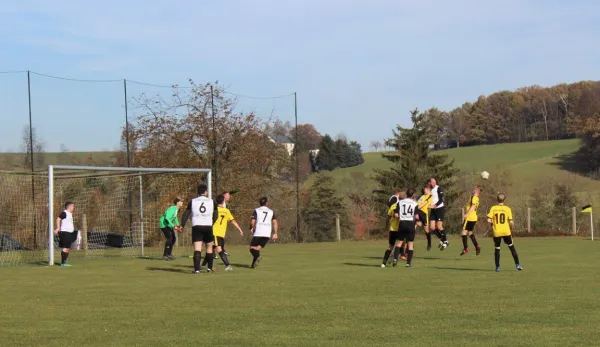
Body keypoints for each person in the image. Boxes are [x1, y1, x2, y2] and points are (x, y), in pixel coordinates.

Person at [181, 184, 219, 274]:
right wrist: (212, 222)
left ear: (198, 192)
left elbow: (185, 214)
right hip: (208, 226)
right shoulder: (212, 201)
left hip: (197, 226)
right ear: (206, 192)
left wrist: (182, 225)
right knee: (209, 247)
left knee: (197, 248)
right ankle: (209, 268)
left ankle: (197, 269)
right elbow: (216, 214)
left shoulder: (193, 201)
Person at [201, 194, 244, 271]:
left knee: (214, 249)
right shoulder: (226, 211)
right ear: (223, 201)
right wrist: (240, 229)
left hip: (214, 232)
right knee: (214, 249)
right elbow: (233, 221)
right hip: (220, 233)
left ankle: (226, 265)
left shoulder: (213, 210)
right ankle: (205, 265)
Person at [487, 193, 522, 272]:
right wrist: (511, 228)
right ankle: (518, 265)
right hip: (506, 231)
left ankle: (498, 267)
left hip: (497, 232)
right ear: (504, 200)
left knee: (497, 249)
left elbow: (489, 219)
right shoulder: (507, 209)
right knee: (511, 247)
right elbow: (511, 222)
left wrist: (492, 225)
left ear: (497, 199)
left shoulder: (493, 208)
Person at [249, 197, 278, 269]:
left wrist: (251, 228)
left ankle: (258, 257)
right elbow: (275, 222)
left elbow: (252, 221)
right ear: (267, 203)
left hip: (258, 232)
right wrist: (275, 233)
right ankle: (253, 265)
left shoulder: (257, 210)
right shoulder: (271, 211)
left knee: (252, 248)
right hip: (267, 234)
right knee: (257, 249)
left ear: (260, 203)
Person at [392, 188, 419, 267]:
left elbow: (396, 215)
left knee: (399, 242)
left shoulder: (400, 202)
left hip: (402, 223)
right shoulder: (415, 203)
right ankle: (408, 263)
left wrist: (402, 217)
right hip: (410, 224)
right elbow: (416, 216)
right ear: (413, 195)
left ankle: (395, 259)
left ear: (406, 194)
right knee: (410, 244)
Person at [53, 202, 76, 267]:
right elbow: (58, 219)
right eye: (73, 206)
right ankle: (63, 263)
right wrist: (58, 228)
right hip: (65, 232)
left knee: (68, 248)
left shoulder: (69, 214)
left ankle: (64, 262)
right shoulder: (64, 213)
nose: (74, 208)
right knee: (65, 247)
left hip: (69, 233)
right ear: (69, 207)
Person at [461, 186, 481, 256]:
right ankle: (477, 246)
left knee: (463, 232)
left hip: (470, 217)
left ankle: (466, 248)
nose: (473, 190)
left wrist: (466, 214)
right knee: (469, 232)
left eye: (474, 189)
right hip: (474, 218)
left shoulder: (474, 197)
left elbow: (473, 207)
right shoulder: (476, 198)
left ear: (476, 191)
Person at [428, 177, 448, 250]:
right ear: (429, 183)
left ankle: (445, 241)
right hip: (433, 210)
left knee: (439, 226)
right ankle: (442, 239)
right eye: (432, 182)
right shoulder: (429, 190)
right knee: (432, 227)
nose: (433, 183)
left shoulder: (438, 188)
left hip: (440, 209)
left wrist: (434, 205)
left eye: (434, 182)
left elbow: (441, 199)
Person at [381, 198, 400, 267]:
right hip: (400, 229)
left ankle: (384, 262)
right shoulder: (402, 205)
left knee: (390, 246)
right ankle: (394, 257)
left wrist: (386, 227)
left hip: (392, 229)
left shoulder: (392, 206)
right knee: (401, 245)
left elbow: (387, 217)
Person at [416, 184, 434, 251]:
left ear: (428, 189)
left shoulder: (430, 196)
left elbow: (424, 205)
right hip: (418, 212)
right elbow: (419, 204)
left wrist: (430, 206)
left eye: (425, 189)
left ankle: (429, 243)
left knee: (426, 229)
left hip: (424, 214)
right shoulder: (422, 196)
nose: (424, 190)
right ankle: (407, 248)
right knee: (413, 228)